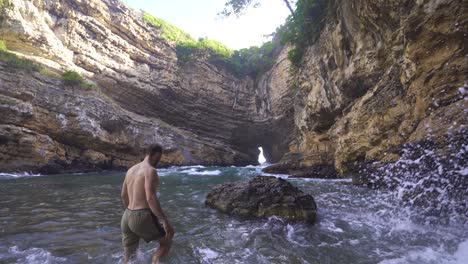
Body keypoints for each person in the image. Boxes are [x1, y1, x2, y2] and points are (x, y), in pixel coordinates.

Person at [120, 144, 174, 264]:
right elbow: (150, 198)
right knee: (167, 242)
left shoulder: (131, 170)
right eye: (159, 157)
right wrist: (164, 221)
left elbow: (123, 195)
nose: (159, 160)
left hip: (126, 216)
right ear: (155, 154)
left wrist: (131, 212)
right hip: (141, 215)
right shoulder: (150, 170)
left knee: (129, 259)